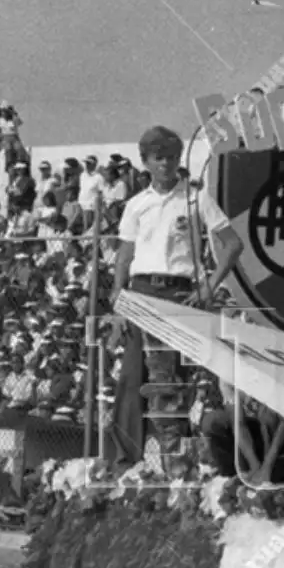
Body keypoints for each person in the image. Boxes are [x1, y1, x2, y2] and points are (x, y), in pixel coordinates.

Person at [103, 126, 245, 472]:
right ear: (146, 162)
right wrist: (118, 303)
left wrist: (210, 285)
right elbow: (124, 255)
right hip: (142, 292)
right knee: (133, 375)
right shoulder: (137, 204)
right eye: (158, 158)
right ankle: (125, 460)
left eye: (170, 156)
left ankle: (179, 464)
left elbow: (232, 244)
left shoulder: (196, 198)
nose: (165, 163)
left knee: (174, 380)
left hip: (180, 292)